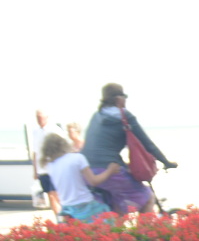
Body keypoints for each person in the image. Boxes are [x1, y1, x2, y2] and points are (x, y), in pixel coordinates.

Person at [82, 83, 176, 215]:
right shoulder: (124, 116)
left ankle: (118, 234)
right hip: (107, 170)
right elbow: (147, 144)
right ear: (119, 99)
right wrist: (166, 162)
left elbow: (102, 146)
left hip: (87, 171)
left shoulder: (97, 115)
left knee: (118, 204)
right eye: (124, 97)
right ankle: (145, 234)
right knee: (147, 197)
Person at [40, 132, 119, 221]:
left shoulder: (50, 166)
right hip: (85, 205)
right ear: (63, 144)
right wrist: (110, 170)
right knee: (109, 219)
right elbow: (93, 181)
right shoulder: (77, 158)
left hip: (67, 209)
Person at [29, 110, 62, 215]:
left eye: (41, 117)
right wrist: (35, 171)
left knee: (56, 195)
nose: (39, 119)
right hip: (42, 169)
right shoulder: (35, 131)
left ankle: (65, 219)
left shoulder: (55, 130)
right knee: (50, 195)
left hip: (53, 168)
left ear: (47, 117)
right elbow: (35, 152)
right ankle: (59, 220)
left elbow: (62, 148)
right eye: (37, 117)